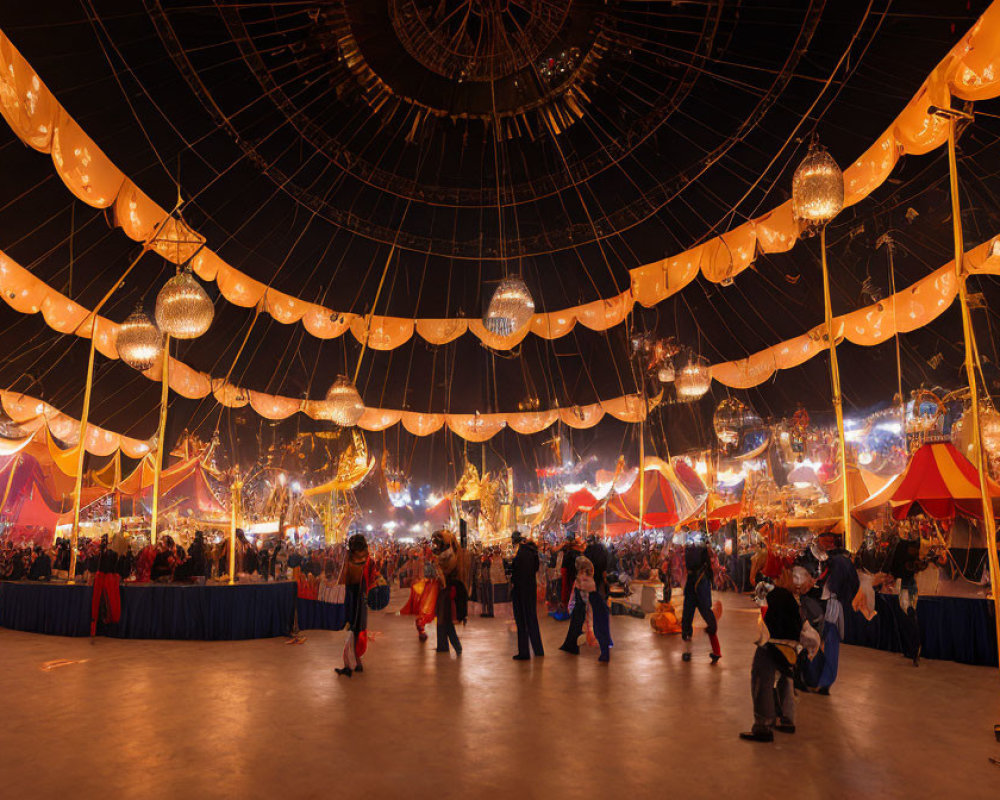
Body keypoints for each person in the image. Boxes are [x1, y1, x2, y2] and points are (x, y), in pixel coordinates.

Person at [739, 572, 818, 743]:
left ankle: (763, 726)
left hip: (773, 644)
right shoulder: (792, 598)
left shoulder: (775, 595)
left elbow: (766, 620)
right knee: (785, 679)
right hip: (790, 648)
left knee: (761, 680)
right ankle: (787, 720)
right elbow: (804, 627)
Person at [335, 534, 380, 678]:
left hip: (353, 598)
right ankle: (356, 661)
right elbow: (374, 581)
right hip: (360, 599)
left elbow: (341, 580)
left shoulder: (351, 561)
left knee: (352, 630)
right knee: (358, 630)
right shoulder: (369, 562)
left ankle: (351, 663)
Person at [681, 529, 721, 663]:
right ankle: (686, 650)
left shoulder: (703, 537)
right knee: (687, 618)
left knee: (708, 617)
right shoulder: (687, 537)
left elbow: (711, 556)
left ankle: (716, 651)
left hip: (701, 581)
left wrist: (707, 545)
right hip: (692, 581)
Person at [432, 530, 466, 655]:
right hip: (443, 589)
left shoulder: (449, 554)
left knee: (444, 619)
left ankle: (456, 646)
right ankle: (442, 645)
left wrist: (438, 567)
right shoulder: (445, 554)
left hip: (447, 590)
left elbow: (447, 570)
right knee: (441, 618)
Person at [511, 531, 544, 660]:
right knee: (532, 619)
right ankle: (538, 650)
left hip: (521, 590)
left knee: (521, 621)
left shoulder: (521, 553)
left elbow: (517, 573)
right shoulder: (532, 552)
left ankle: (524, 652)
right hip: (530, 588)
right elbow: (535, 568)